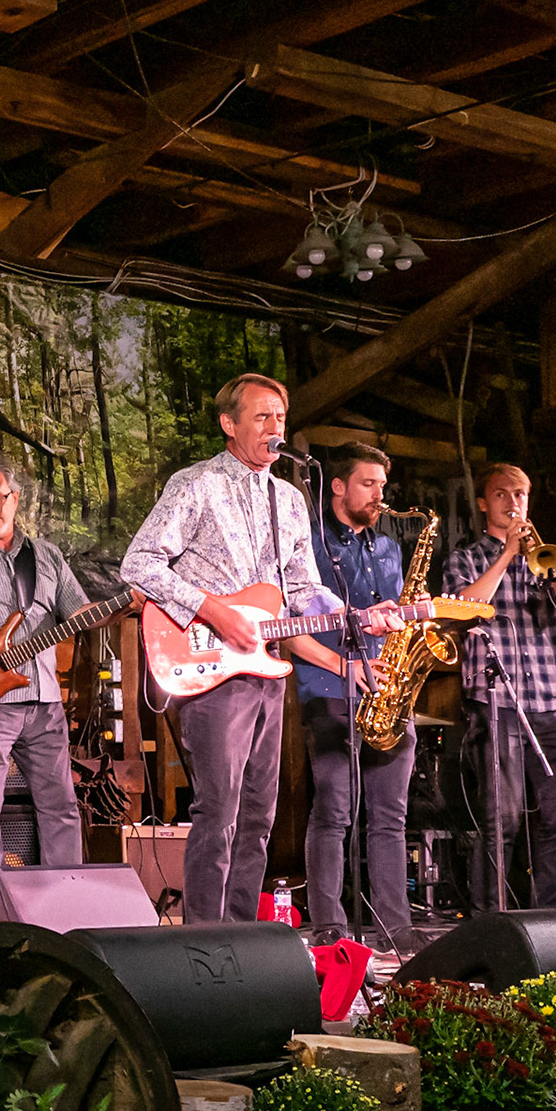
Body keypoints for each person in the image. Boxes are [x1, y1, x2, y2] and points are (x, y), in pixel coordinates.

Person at [120, 373, 400, 925]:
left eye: (281, 416)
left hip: (266, 669)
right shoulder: (195, 484)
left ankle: (243, 937)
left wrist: (357, 615)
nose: (276, 427)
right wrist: (214, 609)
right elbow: (140, 564)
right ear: (230, 424)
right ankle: (203, 938)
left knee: (258, 816)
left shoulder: (290, 499)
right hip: (208, 661)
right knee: (218, 810)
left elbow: (301, 589)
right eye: (262, 416)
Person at [282, 442, 425, 954]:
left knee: (390, 817)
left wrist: (413, 618)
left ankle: (395, 927)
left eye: (382, 485)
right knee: (334, 812)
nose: (379, 495)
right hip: (328, 687)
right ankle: (329, 926)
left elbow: (392, 618)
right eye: (368, 483)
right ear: (338, 486)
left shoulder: (388, 548)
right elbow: (290, 624)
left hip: (387, 688)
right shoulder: (309, 543)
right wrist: (343, 664)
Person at [444, 463, 556, 910]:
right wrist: (506, 555)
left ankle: (551, 920)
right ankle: (490, 922)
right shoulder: (466, 559)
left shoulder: (544, 559)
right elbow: (464, 609)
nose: (513, 503)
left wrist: (555, 575)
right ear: (483, 503)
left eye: (520, 494)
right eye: (502, 494)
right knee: (499, 822)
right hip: (498, 706)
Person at [0, 458, 93, 878]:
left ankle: (66, 897)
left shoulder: (45, 555)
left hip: (45, 701)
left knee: (62, 808)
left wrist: (121, 605)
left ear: (15, 499)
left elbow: (79, 612)